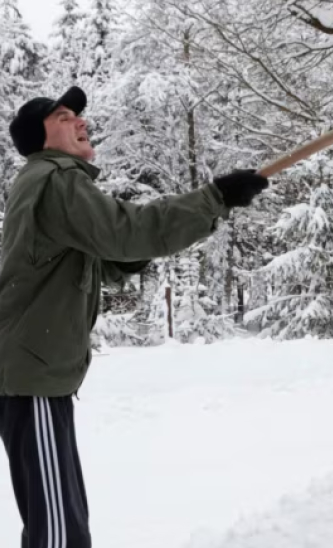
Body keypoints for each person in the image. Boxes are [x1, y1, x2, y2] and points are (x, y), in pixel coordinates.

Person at [0, 86, 269, 548]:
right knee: (59, 527)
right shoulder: (57, 180)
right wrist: (214, 198)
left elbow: (92, 257)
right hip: (32, 374)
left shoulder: (47, 183)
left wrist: (129, 257)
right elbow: (129, 231)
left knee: (58, 514)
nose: (81, 121)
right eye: (64, 116)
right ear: (40, 138)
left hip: (36, 370)